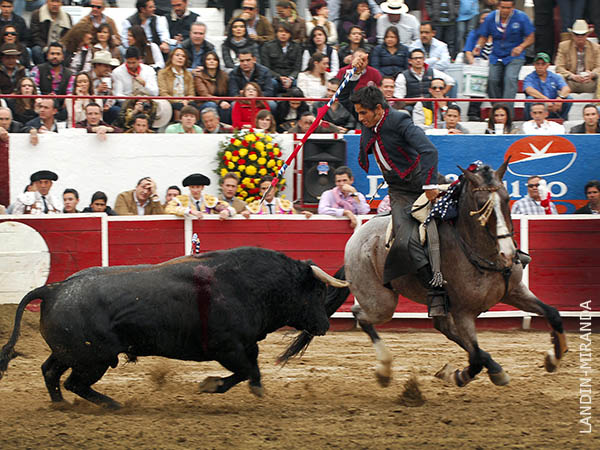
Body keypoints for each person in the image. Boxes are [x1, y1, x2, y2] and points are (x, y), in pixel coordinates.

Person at [338, 53, 449, 316]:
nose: (360, 118)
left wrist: (430, 186)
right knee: (405, 242)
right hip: (400, 192)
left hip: (423, 184)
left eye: (364, 113)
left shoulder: (399, 120)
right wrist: (355, 73)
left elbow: (429, 151)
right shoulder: (368, 119)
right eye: (358, 113)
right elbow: (344, 97)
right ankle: (436, 292)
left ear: (378, 109)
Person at [474, 0, 534, 112]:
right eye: (503, 7)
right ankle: (498, 110)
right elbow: (484, 36)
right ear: (498, 6)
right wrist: (478, 46)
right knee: (492, 80)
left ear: (513, 7)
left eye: (508, 8)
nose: (505, 10)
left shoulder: (521, 17)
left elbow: (531, 37)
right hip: (496, 54)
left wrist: (521, 47)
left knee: (510, 78)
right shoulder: (491, 17)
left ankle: (508, 113)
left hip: (514, 55)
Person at [393, 48, 455, 115]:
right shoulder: (402, 76)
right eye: (415, 58)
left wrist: (441, 94)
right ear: (410, 61)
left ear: (424, 59)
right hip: (411, 106)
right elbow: (398, 99)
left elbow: (451, 81)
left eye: (420, 58)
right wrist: (415, 100)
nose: (418, 60)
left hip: (430, 104)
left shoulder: (432, 71)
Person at [555, 19, 600, 97]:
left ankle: (597, 103)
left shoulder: (595, 48)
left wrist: (592, 74)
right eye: (577, 34)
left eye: (583, 34)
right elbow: (559, 67)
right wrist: (571, 76)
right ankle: (559, 102)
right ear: (572, 35)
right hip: (570, 82)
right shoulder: (563, 46)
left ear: (587, 35)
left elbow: (599, 66)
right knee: (558, 77)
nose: (580, 37)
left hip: (589, 82)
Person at [30, 42, 74, 121]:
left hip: (61, 109)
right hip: (41, 106)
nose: (55, 56)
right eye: (52, 54)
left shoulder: (69, 74)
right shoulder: (38, 69)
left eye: (58, 54)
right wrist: (45, 99)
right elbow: (34, 87)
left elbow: (70, 92)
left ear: (63, 57)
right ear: (47, 56)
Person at [165, 173, 236, 220]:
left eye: (198, 187)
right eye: (192, 187)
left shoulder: (209, 200)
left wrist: (226, 211)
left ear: (202, 187)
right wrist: (190, 211)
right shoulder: (181, 200)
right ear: (189, 187)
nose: (195, 190)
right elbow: (168, 209)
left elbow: (231, 209)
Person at [523, 52, 571, 120]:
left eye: (543, 64)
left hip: (554, 107)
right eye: (537, 64)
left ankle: (561, 120)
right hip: (537, 107)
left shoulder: (555, 77)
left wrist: (560, 98)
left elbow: (566, 88)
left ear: (548, 65)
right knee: (529, 99)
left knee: (569, 99)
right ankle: (530, 121)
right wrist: (545, 100)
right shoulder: (529, 77)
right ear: (534, 65)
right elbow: (529, 90)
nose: (540, 66)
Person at [261, 22, 303, 93]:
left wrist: (290, 78)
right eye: (281, 31)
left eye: (286, 32)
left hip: (291, 78)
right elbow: (266, 68)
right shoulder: (267, 46)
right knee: (272, 82)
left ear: (290, 34)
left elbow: (297, 68)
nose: (283, 34)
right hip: (274, 78)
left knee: (298, 83)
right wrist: (279, 77)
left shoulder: (296, 47)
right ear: (276, 33)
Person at [30, 0, 72, 65]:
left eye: (57, 2)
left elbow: (69, 36)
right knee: (36, 50)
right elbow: (35, 36)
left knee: (68, 50)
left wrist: (61, 46)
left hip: (60, 46)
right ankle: (42, 69)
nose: (55, 4)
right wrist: (46, 48)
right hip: (43, 46)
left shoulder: (67, 17)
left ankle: (62, 70)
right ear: (47, 2)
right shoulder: (37, 15)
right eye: (52, 1)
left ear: (61, 3)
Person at [247, 175, 313, 217]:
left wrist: (304, 216)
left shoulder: (286, 205)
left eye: (270, 188)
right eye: (263, 188)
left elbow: (296, 219)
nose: (267, 191)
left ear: (275, 189)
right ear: (260, 190)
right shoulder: (253, 207)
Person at [157, 47, 195, 118]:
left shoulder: (188, 74)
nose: (180, 58)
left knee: (192, 106)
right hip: (170, 101)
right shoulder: (162, 73)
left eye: (183, 56)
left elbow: (191, 93)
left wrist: (186, 101)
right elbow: (163, 93)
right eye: (177, 55)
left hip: (185, 102)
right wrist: (178, 101)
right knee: (178, 106)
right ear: (171, 57)